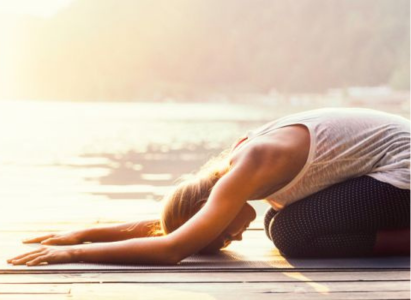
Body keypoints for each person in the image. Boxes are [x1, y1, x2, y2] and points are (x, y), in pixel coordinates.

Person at [7, 107, 410, 266]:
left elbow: (173, 247)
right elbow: (177, 228)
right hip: (387, 170)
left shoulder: (251, 164)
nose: (234, 237)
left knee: (292, 232)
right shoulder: (232, 169)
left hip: (403, 169)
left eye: (221, 236)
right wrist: (84, 231)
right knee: (276, 223)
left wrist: (75, 253)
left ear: (209, 207)